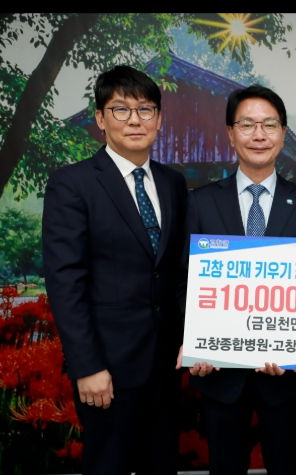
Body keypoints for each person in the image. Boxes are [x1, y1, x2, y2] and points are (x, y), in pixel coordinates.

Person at [175, 85, 296, 475]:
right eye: (247, 125)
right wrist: (196, 339)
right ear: (230, 133)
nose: (259, 135)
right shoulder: (201, 202)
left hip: (284, 375)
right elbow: (184, 280)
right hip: (218, 373)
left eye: (269, 125)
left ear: (283, 133)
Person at [43, 65, 187, 474]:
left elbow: (178, 271)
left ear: (159, 118)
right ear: (100, 119)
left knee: (162, 466)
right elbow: (65, 282)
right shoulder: (72, 184)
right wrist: (87, 366)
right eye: (121, 109)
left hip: (166, 366)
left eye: (145, 109)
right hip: (107, 369)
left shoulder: (173, 183)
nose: (135, 120)